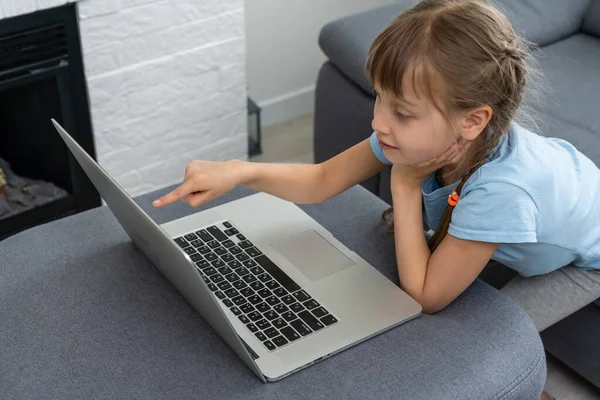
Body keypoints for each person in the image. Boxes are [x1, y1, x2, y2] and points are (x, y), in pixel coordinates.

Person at [153, 1, 600, 398]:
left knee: (486, 349)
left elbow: (427, 297)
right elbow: (322, 180)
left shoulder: (501, 193)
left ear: (472, 121)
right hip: (560, 196)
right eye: (380, 99)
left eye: (402, 112)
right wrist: (242, 171)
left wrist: (404, 187)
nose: (379, 122)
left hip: (586, 261)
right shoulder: (419, 139)